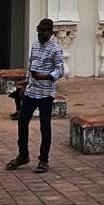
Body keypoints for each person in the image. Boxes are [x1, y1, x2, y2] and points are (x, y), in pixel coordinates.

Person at [6, 19, 64, 174]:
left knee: (45, 127)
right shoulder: (35, 45)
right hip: (31, 92)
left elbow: (60, 70)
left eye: (44, 31)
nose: (40, 34)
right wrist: (26, 83)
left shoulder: (56, 49)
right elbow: (31, 65)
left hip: (46, 93)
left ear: (51, 32)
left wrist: (45, 77)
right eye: (39, 30)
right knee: (22, 122)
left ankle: (43, 160)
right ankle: (23, 155)